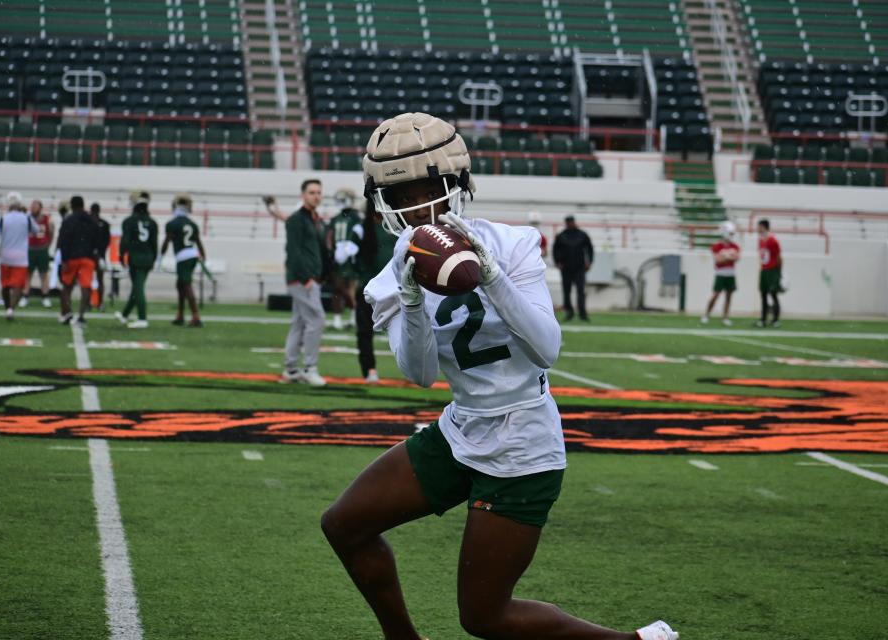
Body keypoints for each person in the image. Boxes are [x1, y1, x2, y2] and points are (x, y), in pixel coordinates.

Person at [321, 112, 678, 640]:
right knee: (344, 525)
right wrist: (413, 298)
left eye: (427, 189)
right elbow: (420, 375)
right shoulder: (390, 275)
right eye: (401, 195)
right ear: (382, 204)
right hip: (462, 426)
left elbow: (546, 348)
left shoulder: (511, 244)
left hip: (523, 441)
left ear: (456, 186)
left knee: (484, 617)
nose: (417, 205)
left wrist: (490, 276)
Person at [273, 179, 327, 386]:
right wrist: (306, 279)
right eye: (312, 192)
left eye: (318, 192)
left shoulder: (314, 219)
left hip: (308, 279)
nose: (316, 196)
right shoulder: (297, 220)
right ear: (303, 195)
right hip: (302, 280)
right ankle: (310, 368)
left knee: (299, 323)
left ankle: (291, 369)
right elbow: (293, 251)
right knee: (317, 320)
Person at [352, 198, 396, 383]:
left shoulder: (395, 227)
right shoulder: (360, 229)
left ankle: (414, 370)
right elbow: (350, 257)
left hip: (393, 289)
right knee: (365, 331)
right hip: (368, 289)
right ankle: (369, 369)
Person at [0, 191, 39, 321]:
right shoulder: (26, 217)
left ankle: (7, 308)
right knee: (18, 285)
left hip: (5, 255)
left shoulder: (4, 218)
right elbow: (36, 230)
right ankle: (11, 309)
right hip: (21, 256)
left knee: (5, 285)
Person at [160, 193, 206, 327]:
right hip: (192, 254)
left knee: (186, 285)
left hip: (183, 256)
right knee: (180, 285)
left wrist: (160, 255)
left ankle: (196, 316)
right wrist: (203, 255)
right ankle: (180, 315)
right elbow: (198, 241)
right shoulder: (192, 223)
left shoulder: (172, 223)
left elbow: (167, 241)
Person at [116, 189, 158, 329]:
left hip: (136, 257)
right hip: (148, 257)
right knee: (136, 288)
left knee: (138, 288)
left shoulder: (129, 221)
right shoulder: (152, 222)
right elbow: (154, 244)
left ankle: (142, 318)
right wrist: (154, 259)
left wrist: (121, 255)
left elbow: (125, 241)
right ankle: (125, 315)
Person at [56, 195, 99, 325]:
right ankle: (81, 315)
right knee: (85, 286)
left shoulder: (68, 220)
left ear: (72, 205)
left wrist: (64, 259)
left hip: (72, 257)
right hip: (88, 257)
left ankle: (67, 312)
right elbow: (97, 239)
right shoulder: (91, 219)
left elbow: (63, 241)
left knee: (67, 286)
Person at [327, 187, 363, 330]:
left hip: (352, 256)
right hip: (338, 257)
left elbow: (360, 236)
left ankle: (353, 318)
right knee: (337, 289)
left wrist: (351, 251)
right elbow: (330, 236)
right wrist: (332, 250)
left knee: (350, 289)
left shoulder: (356, 218)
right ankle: (338, 320)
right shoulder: (336, 218)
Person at [553, 215, 594, 322]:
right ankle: (569, 313)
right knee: (566, 291)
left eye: (571, 222)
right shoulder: (561, 236)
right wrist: (557, 262)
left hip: (579, 268)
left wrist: (589, 262)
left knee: (581, 291)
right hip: (566, 268)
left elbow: (589, 249)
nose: (570, 224)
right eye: (568, 222)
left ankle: (582, 314)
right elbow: (555, 250)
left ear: (574, 222)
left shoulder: (582, 235)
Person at [701, 221, 739, 326]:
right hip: (721, 273)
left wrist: (725, 257)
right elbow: (718, 260)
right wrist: (729, 257)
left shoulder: (735, 246)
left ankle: (725, 317)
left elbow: (736, 258)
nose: (732, 236)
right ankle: (706, 315)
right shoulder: (717, 246)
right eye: (730, 233)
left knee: (729, 296)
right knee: (716, 295)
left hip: (731, 274)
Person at [23, 199, 55, 308]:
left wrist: (47, 245)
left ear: (40, 208)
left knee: (44, 274)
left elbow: (51, 232)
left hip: (42, 249)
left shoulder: (47, 219)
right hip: (30, 249)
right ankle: (25, 296)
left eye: (35, 207)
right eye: (32, 207)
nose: (33, 209)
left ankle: (45, 296)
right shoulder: (27, 218)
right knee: (28, 274)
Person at [757, 218, 783, 328]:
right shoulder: (760, 240)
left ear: (764, 227)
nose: (757, 228)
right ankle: (763, 319)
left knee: (773, 294)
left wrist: (778, 273)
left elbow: (779, 258)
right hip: (764, 270)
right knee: (763, 295)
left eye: (759, 226)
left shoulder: (773, 240)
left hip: (772, 270)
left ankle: (775, 319)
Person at [89, 202, 111, 311]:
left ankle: (90, 303)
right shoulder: (104, 223)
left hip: (89, 255)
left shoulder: (87, 223)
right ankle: (99, 303)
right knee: (99, 279)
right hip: (100, 256)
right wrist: (101, 254)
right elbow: (107, 241)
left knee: (89, 279)